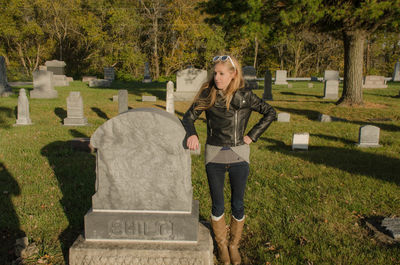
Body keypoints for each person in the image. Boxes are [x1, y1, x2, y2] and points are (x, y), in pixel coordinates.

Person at [181, 55, 276, 265]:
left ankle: (234, 245)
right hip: (214, 155)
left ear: (233, 74)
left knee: (238, 204)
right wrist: (192, 133)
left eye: (221, 73)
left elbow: (270, 112)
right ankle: (222, 246)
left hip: (239, 155)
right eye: (215, 73)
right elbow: (188, 118)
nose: (217, 77)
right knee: (217, 205)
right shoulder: (208, 94)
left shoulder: (245, 96)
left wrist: (252, 135)